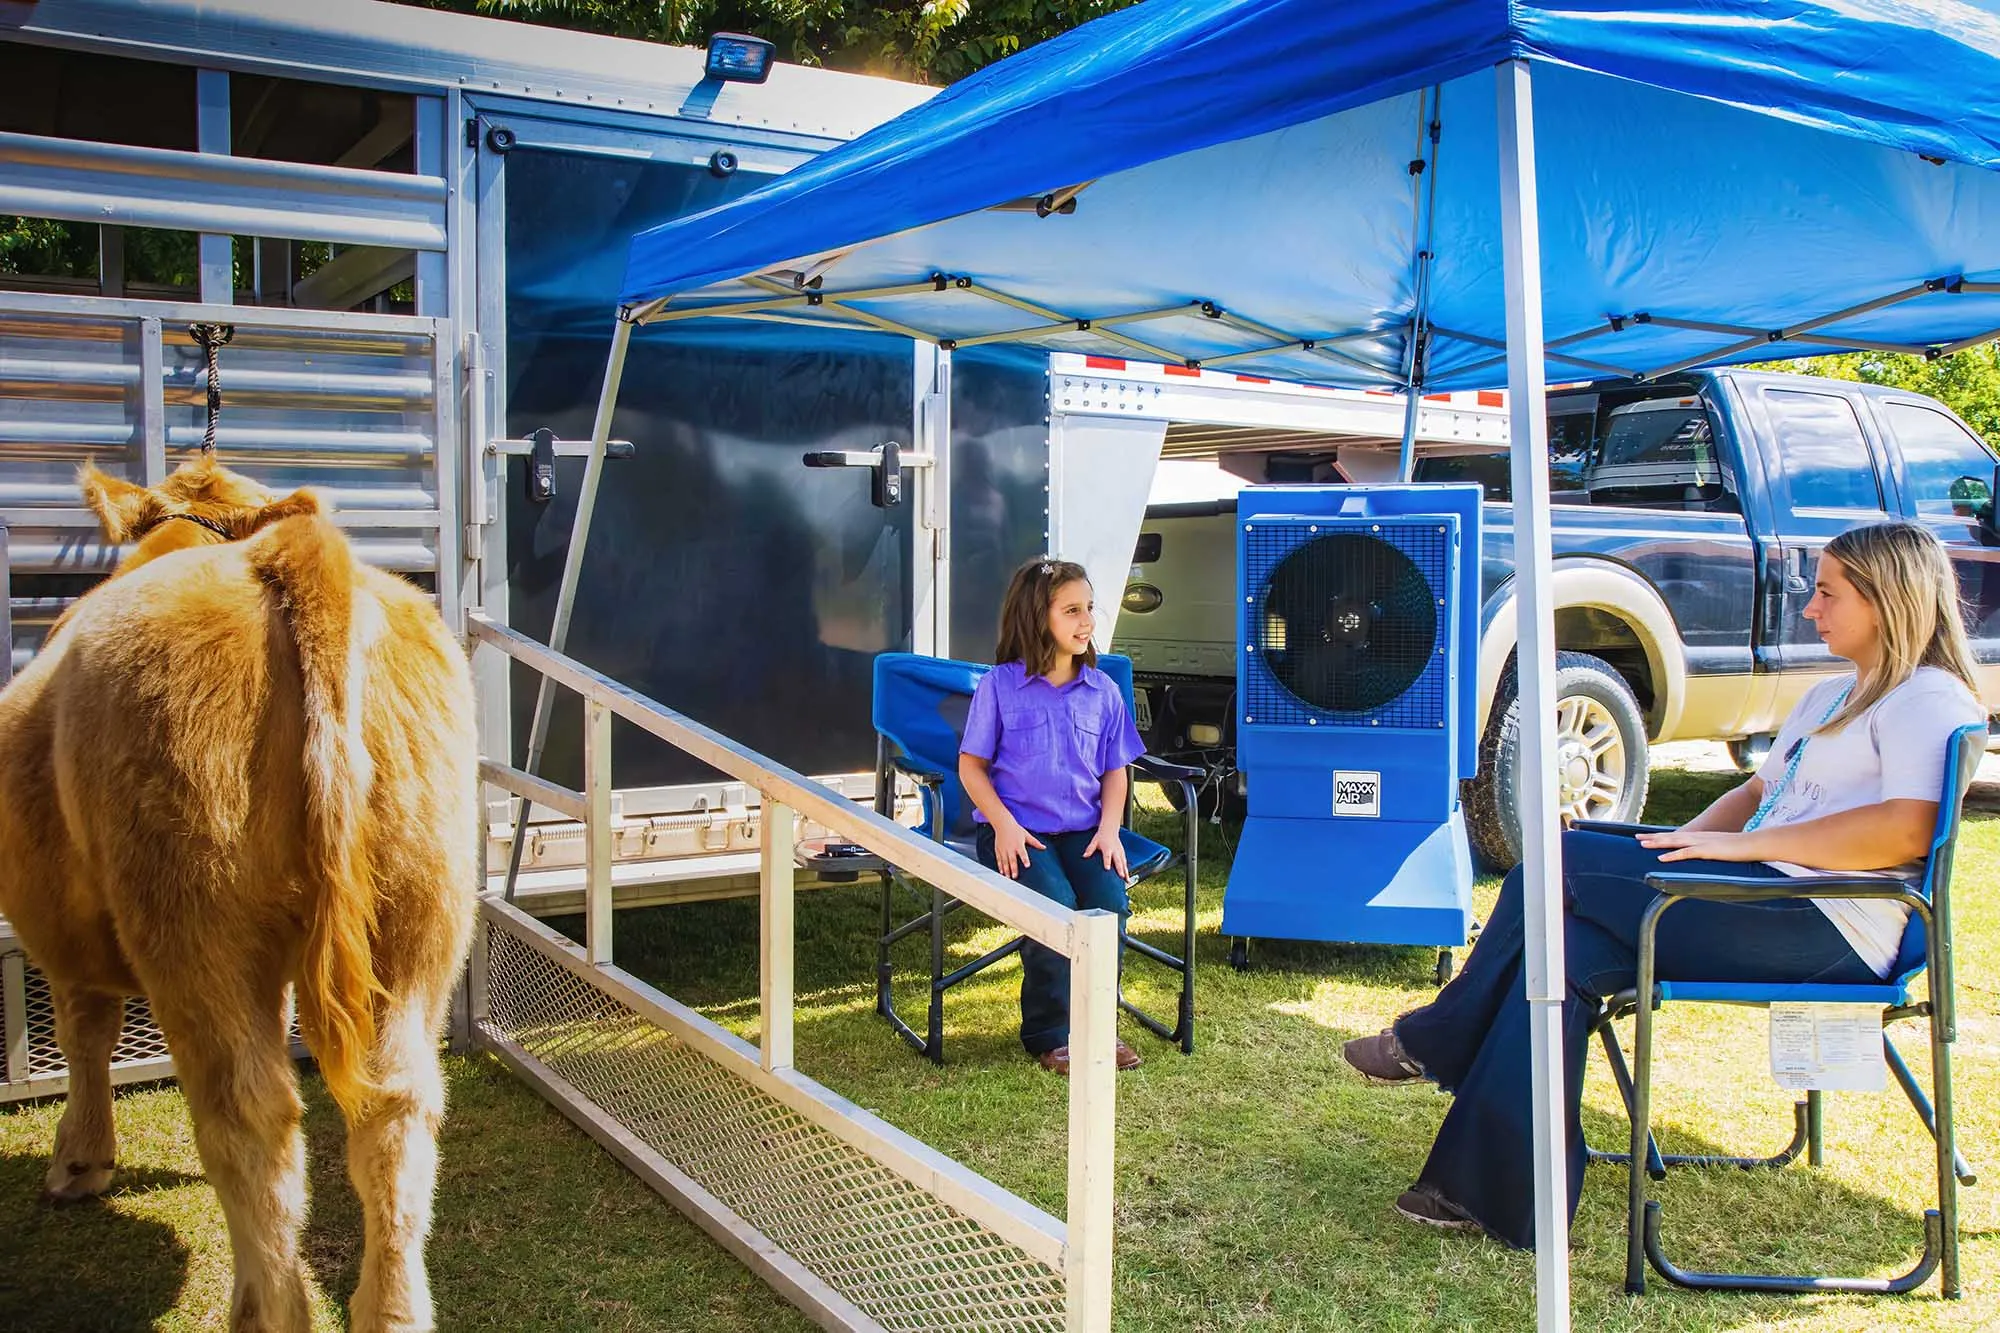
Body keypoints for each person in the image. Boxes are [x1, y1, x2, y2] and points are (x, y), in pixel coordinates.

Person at [1342, 519, 1986, 1245]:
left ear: (1887, 600)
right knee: (1570, 950)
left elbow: (1904, 830)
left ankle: (1437, 1037)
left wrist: (1748, 850)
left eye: (1828, 593)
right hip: (1765, 893)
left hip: (1829, 925)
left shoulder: (1928, 699)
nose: (1811, 607)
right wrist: (1689, 839)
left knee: (1556, 862)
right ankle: (1488, 1190)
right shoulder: (1836, 695)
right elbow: (1752, 795)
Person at [960, 557, 1148, 1075]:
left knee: (1107, 901)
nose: (1087, 621)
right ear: (1036, 617)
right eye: (1072, 611)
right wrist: (1002, 825)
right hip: (1016, 832)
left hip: (1087, 832)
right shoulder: (999, 687)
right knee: (1056, 905)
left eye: (1089, 608)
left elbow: (1115, 771)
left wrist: (1111, 830)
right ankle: (1053, 1035)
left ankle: (1099, 1029)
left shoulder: (1103, 692)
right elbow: (971, 768)